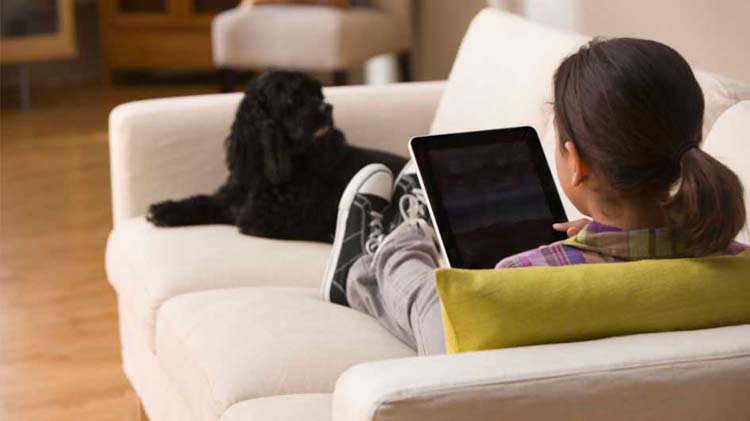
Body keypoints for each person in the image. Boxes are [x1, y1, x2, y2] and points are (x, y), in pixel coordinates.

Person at [319, 38, 749, 355]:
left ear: (575, 163)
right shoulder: (735, 264)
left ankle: (378, 253)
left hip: (466, 347)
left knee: (416, 284)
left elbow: (458, 359)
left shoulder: (517, 279)